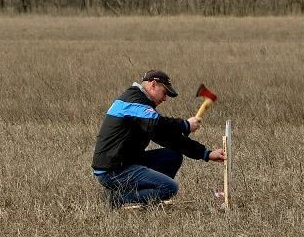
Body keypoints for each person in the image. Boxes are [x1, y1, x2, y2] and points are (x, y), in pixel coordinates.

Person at [91, 70, 227, 208]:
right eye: (165, 92)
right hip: (113, 170)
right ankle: (116, 197)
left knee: (173, 156)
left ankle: (148, 196)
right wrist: (185, 125)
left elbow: (170, 138)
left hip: (126, 162)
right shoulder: (133, 100)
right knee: (170, 188)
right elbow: (157, 125)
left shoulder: (143, 109)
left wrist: (206, 153)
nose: (165, 98)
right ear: (153, 85)